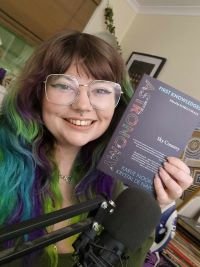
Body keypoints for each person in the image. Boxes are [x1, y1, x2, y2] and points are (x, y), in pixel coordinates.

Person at [0, 30, 192, 267]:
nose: (82, 105)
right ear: (39, 93)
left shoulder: (116, 189)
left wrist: (157, 203)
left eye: (101, 90)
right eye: (64, 85)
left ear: (116, 103)